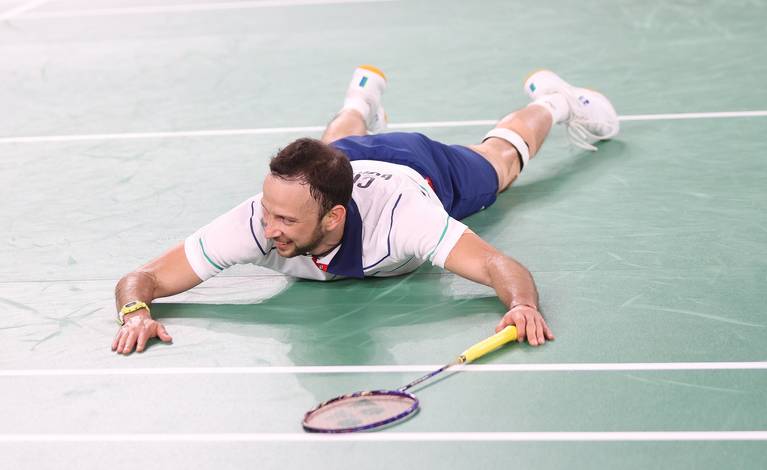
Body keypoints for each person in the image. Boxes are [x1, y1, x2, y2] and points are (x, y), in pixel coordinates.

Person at [112, 65, 620, 355]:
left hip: (421, 170)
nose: (270, 229)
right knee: (335, 146)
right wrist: (135, 312)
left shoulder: (405, 221)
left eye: (286, 221)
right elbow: (145, 277)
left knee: (500, 163)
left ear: (333, 218)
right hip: (345, 162)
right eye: (269, 212)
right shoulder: (258, 220)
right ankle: (361, 97)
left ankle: (556, 100)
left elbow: (496, 266)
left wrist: (521, 305)